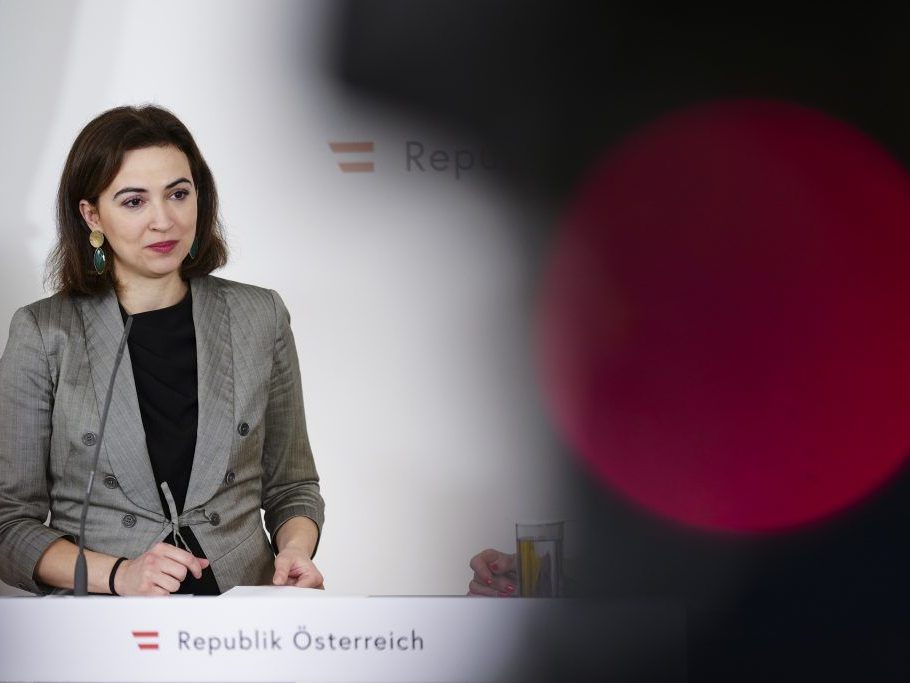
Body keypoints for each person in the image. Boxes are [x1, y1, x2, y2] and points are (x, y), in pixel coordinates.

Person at [0, 105, 324, 596]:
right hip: (108, 617)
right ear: (92, 215)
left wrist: (296, 549)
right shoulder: (44, 332)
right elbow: (9, 525)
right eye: (134, 201)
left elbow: (292, 486)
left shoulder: (261, 315)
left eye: (178, 194)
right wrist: (120, 574)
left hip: (242, 611)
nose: (163, 220)